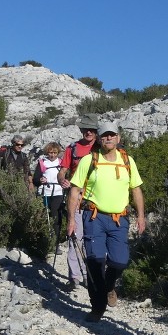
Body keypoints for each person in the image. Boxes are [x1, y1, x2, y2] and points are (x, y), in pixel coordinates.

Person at [66, 119, 145, 322]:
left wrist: (142, 216)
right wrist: (71, 220)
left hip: (120, 219)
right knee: (95, 261)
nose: (108, 138)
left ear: (118, 137)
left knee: (120, 261)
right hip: (94, 217)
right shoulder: (89, 160)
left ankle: (110, 285)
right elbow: (74, 190)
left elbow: (136, 189)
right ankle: (97, 307)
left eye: (112, 134)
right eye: (104, 135)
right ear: (100, 139)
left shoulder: (127, 161)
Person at [58, 114, 99, 289]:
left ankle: (90, 275)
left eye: (92, 129)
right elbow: (63, 171)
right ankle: (75, 277)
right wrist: (62, 180)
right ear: (81, 130)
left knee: (94, 239)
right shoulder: (72, 149)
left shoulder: (102, 148)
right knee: (75, 236)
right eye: (85, 129)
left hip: (97, 199)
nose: (88, 132)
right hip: (76, 196)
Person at [36, 142, 65, 245]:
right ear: (47, 153)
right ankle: (44, 242)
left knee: (56, 216)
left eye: (54, 152)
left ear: (58, 153)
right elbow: (35, 179)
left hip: (58, 192)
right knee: (44, 217)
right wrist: (41, 180)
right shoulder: (42, 163)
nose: (52, 155)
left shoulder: (61, 163)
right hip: (45, 193)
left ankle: (56, 242)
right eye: (50, 153)